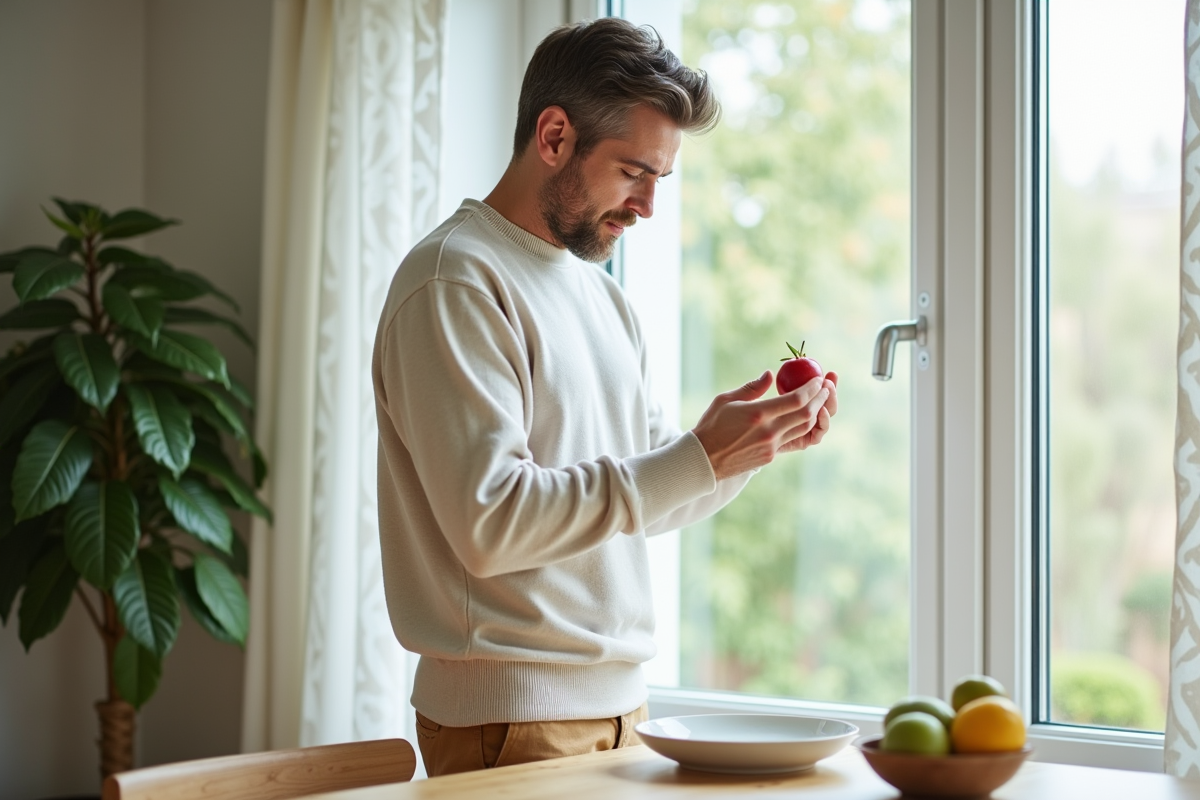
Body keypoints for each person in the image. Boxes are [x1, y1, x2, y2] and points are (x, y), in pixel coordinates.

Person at [371, 16, 839, 778]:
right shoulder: (455, 281)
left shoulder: (601, 296)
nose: (650, 205)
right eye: (633, 172)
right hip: (511, 717)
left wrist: (747, 448)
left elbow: (645, 496)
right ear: (553, 136)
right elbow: (489, 523)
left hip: (623, 713)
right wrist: (698, 455)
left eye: (662, 178)